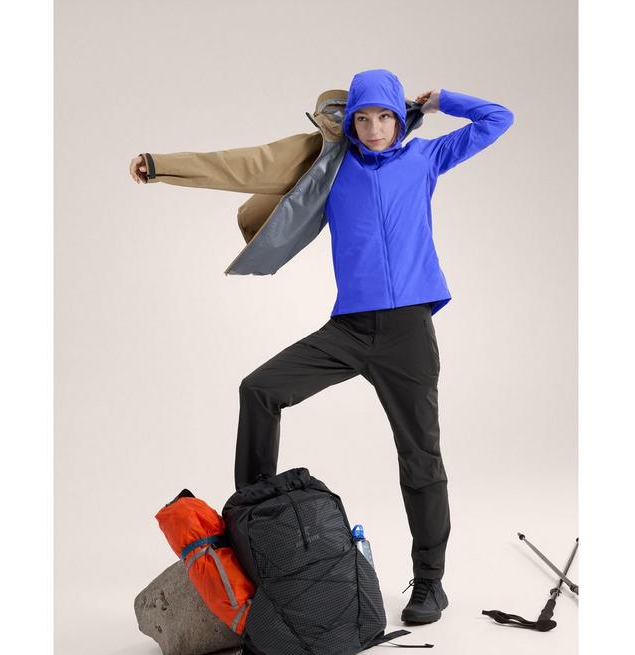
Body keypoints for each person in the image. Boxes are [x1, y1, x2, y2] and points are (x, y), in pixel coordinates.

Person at [130, 68, 514, 624]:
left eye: (385, 117)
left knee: (420, 459)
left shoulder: (425, 158)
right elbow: (241, 164)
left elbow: (499, 119)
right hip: (349, 330)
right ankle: (256, 521)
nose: (375, 129)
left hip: (407, 334)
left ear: (400, 119)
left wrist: (442, 100)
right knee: (259, 390)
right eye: (364, 118)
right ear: (349, 122)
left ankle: (430, 582)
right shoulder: (330, 165)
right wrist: (160, 166)